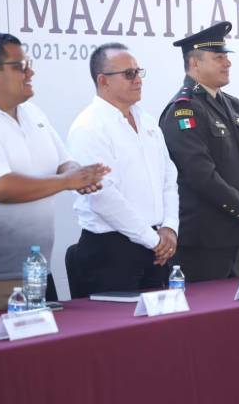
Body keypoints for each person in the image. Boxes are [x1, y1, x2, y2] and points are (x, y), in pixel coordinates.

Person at [0, 32, 107, 313]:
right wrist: (66, 181)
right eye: (20, 66)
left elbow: (64, 162)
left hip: (38, 274)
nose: (30, 71)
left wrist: (80, 176)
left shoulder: (33, 113)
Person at [159, 21, 239, 281]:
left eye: (226, 57)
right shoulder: (184, 109)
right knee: (203, 319)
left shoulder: (232, 104)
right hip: (203, 241)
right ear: (195, 63)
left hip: (236, 235)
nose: (227, 63)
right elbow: (201, 175)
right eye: (218, 57)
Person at [67, 43, 179, 296]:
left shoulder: (147, 121)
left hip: (156, 249)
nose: (138, 80)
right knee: (118, 334)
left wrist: (170, 227)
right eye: (129, 74)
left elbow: (168, 177)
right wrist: (154, 241)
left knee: (161, 332)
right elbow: (103, 197)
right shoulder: (89, 126)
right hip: (111, 252)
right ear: (103, 81)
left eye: (139, 72)